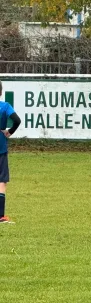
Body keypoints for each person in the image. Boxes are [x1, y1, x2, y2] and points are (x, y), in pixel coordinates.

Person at [0, 81, 22, 224]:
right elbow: (17, 120)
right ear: (1, 92)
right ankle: (1, 216)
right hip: (0, 149)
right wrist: (9, 132)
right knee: (1, 181)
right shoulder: (5, 106)